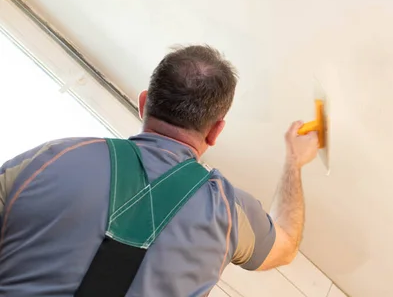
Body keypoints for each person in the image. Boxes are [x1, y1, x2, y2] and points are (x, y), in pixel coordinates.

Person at [0, 45, 319, 296]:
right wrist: (294, 161)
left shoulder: (53, 158)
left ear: (144, 102)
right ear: (215, 131)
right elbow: (287, 243)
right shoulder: (228, 212)